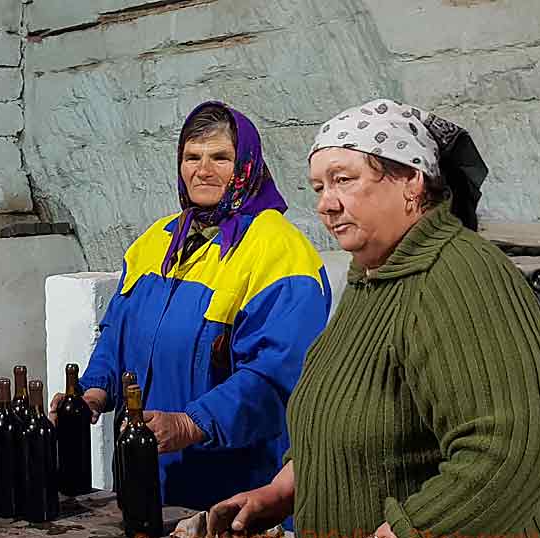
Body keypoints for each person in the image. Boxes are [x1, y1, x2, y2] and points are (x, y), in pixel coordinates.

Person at [206, 99, 540, 538]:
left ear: (411, 182)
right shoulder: (372, 280)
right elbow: (351, 416)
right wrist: (282, 490)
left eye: (344, 179)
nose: (326, 203)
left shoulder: (460, 276)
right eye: (319, 187)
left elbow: (506, 452)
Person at [51, 101, 332, 512]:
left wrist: (192, 423)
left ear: (247, 166)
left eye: (221, 157)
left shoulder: (279, 251)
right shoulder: (158, 241)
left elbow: (277, 377)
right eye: (192, 157)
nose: (203, 170)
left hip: (235, 488)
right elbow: (117, 333)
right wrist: (92, 393)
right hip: (149, 478)